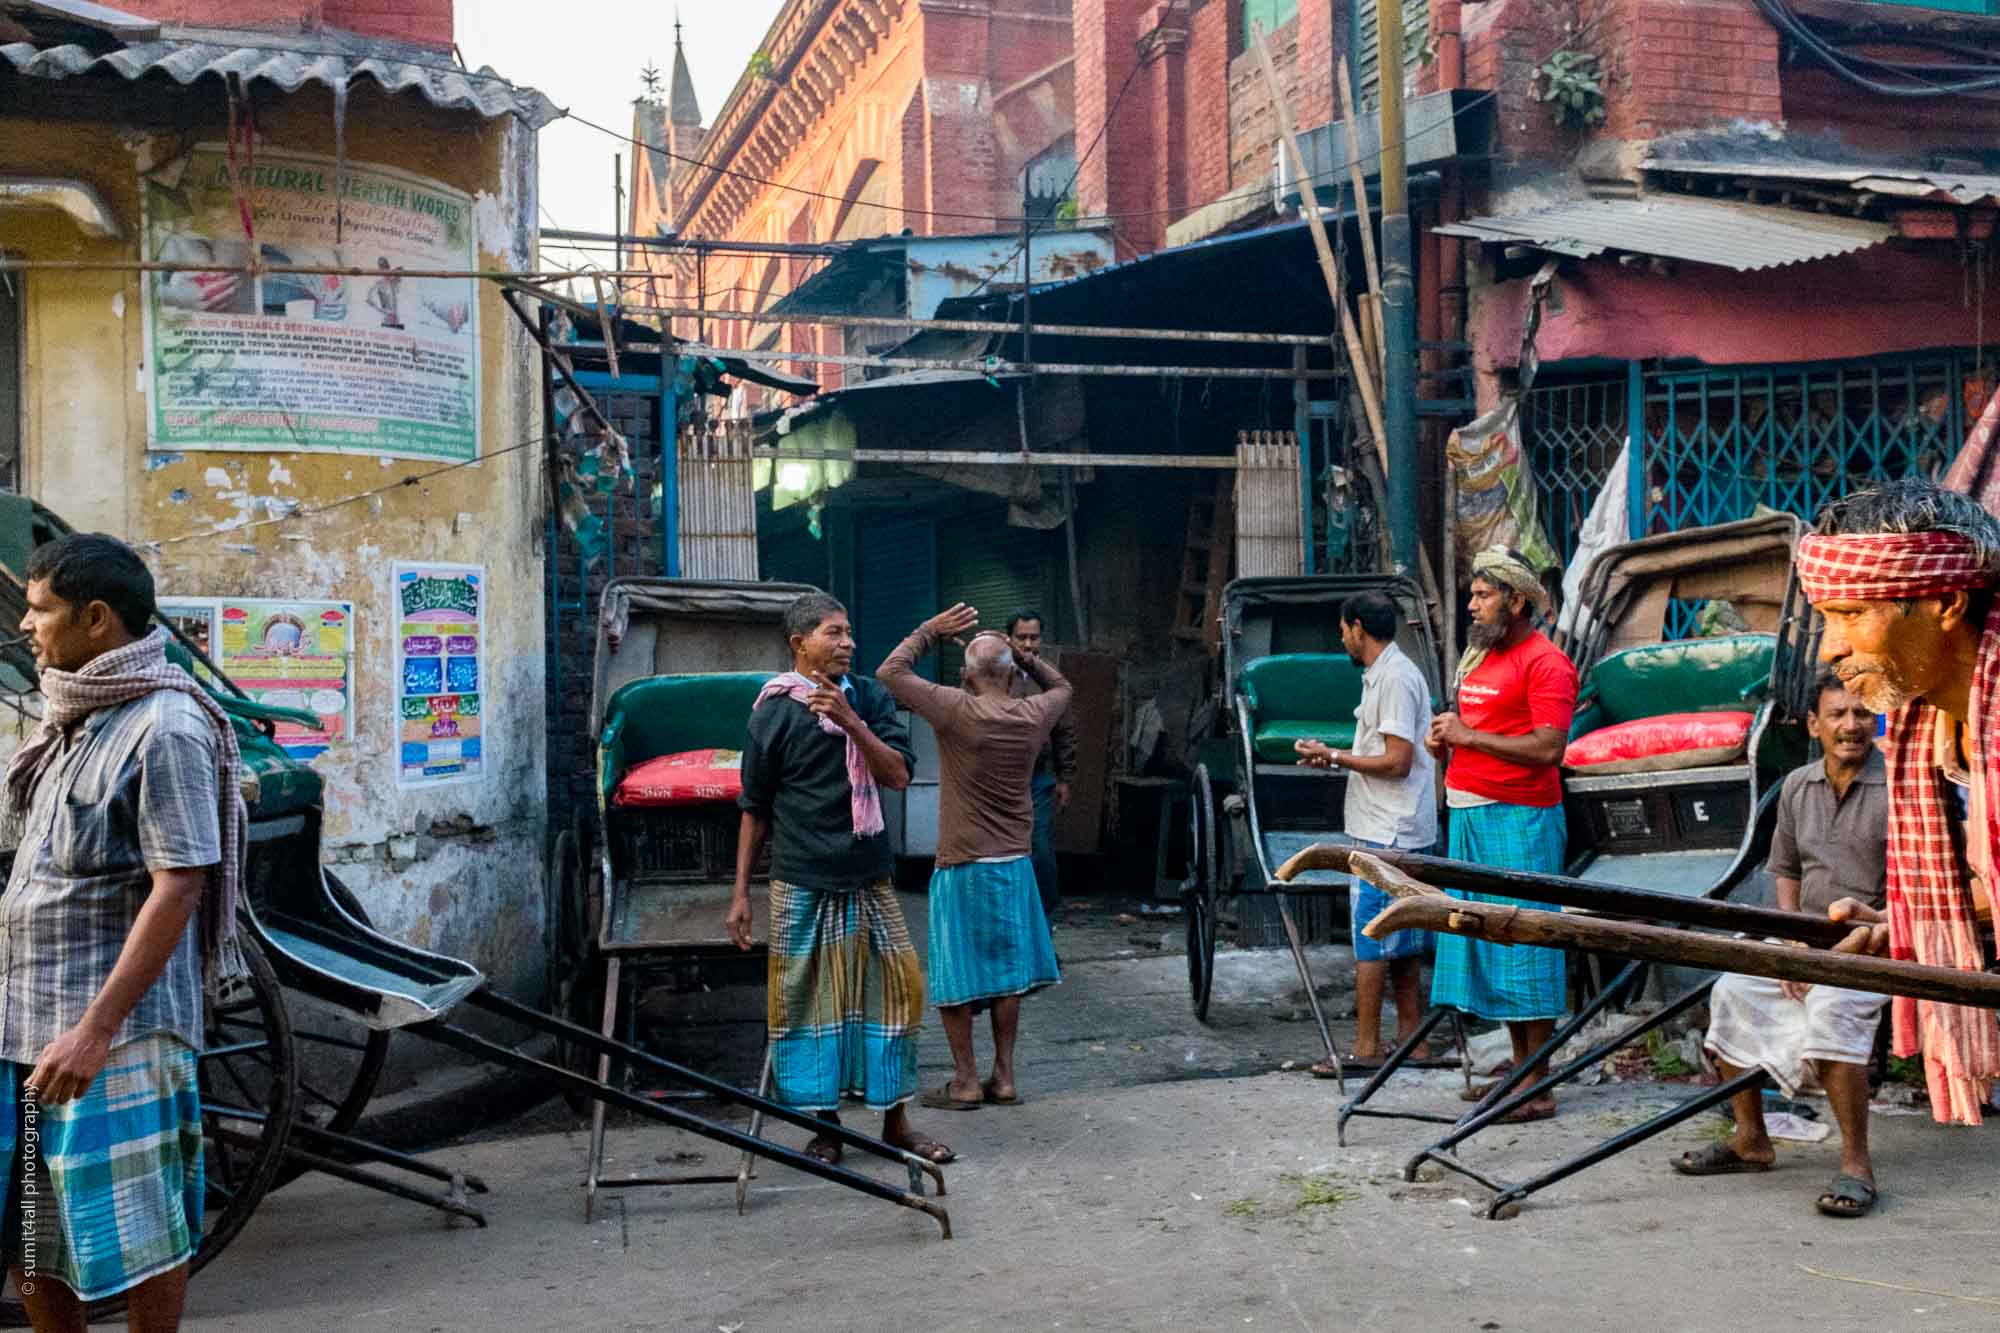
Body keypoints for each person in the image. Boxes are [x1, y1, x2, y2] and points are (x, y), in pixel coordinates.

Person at [1, 534, 246, 1332]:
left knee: (139, 1229)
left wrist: (95, 1030)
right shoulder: (73, 713)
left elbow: (181, 883)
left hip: (115, 1032)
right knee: (29, 1226)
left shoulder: (164, 726)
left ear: (96, 619)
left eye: (40, 611)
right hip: (25, 1020)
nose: (28, 627)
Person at [1793, 478, 2000, 1126]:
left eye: (1853, 614)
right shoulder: (1929, 726)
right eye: (1827, 619)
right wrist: (1895, 920)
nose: (1830, 648)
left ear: (1945, 600)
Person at [726, 591, 952, 1167]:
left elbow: (898, 774)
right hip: (801, 879)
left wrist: (851, 722)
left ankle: (895, 1124)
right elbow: (755, 807)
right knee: (808, 1007)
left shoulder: (870, 699)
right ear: (800, 644)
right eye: (834, 632)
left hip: (869, 878)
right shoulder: (772, 712)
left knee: (897, 996)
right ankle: (826, 1130)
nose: (848, 641)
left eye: (849, 631)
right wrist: (740, 896)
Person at [1672, 674, 1890, 1218]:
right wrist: (1791, 943)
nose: (1851, 726)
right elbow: (1785, 871)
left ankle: (1857, 1163)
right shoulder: (1797, 785)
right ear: (1814, 725)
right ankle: (1751, 1139)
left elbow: (1912, 891)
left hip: (1880, 940)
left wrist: (1833, 957)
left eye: (1862, 714)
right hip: (1806, 936)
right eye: (1837, 714)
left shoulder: (1899, 786)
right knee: (1732, 991)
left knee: (1833, 1010)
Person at [878, 604, 1069, 1110]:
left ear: (964, 675)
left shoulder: (953, 708)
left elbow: (890, 672)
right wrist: (1022, 663)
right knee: (1008, 976)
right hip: (1012, 862)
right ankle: (1003, 1076)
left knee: (954, 972)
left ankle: (964, 1080)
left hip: (961, 862)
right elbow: (1063, 688)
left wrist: (928, 630)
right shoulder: (1033, 713)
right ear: (1011, 673)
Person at [1425, 546, 1578, 1122]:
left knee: (1524, 943)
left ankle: (1537, 1084)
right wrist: (1446, 742)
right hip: (1469, 812)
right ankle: (1519, 1067)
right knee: (1487, 944)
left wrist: (1468, 738)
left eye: (1483, 595)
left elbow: (1548, 748)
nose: (1472, 606)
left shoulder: (1546, 664)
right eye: (1472, 595)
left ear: (1516, 601)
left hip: (1519, 817)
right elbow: (1474, 729)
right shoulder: (1477, 658)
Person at [1294, 590, 1437, 1073]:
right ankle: (1413, 1040)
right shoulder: (1387, 674)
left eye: (1342, 629)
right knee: (1403, 939)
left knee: (1371, 940)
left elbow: (1397, 762)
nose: (1341, 638)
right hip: (1396, 825)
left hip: (1388, 830)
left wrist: (1333, 757)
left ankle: (1367, 1047)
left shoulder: (1394, 677)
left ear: (1358, 627)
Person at [1007, 611, 1077, 928]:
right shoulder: (993, 672)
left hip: (1038, 778)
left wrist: (1065, 778)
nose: (1027, 644)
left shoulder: (1049, 679)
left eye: (1034, 637)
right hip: (1001, 780)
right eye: (1021, 637)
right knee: (1006, 855)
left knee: (1040, 851)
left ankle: (1043, 930)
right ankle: (1012, 937)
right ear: (1009, 638)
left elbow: (1065, 731)